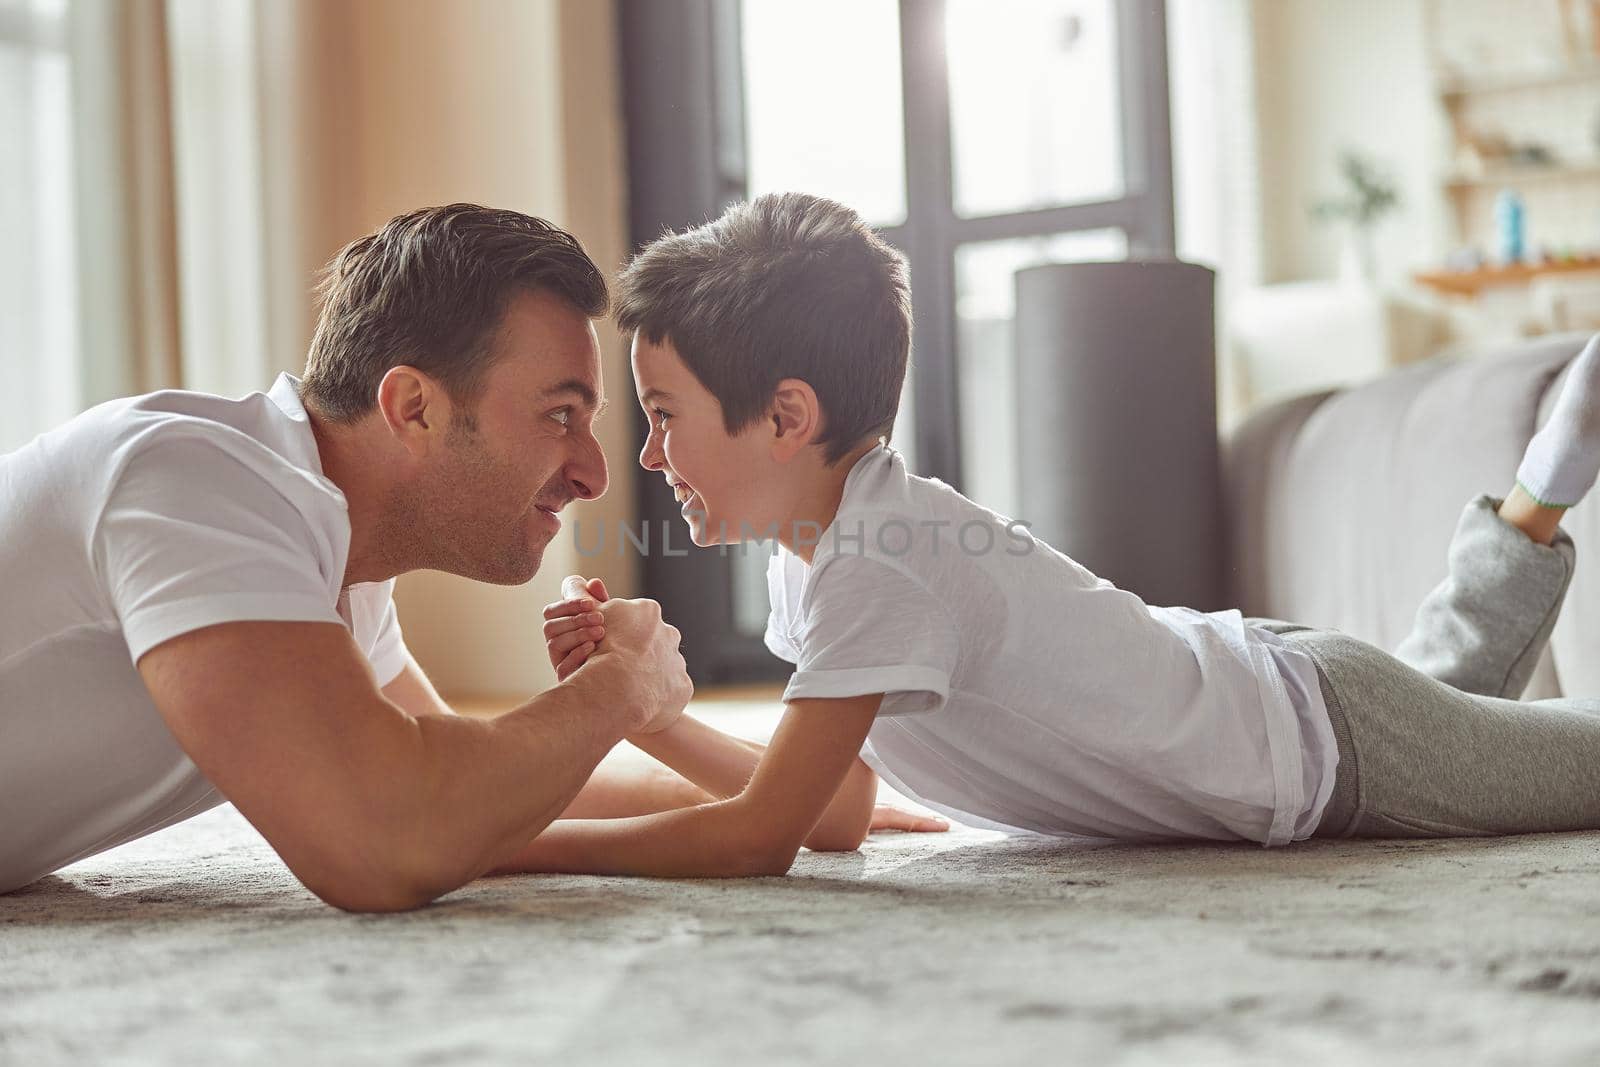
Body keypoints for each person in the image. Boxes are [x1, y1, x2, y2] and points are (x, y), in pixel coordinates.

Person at [522, 191, 1600, 879]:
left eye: (663, 416)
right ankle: (1536, 495)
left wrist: (518, 846)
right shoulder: (818, 554)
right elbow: (836, 809)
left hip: (1323, 742)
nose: (650, 459)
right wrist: (648, 714)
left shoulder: (874, 565)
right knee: (1447, 689)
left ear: (787, 417)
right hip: (1303, 699)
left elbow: (761, 834)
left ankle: (1541, 488)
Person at [0, 204, 939, 912]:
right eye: (559, 414)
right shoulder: (196, 480)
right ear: (412, 406)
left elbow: (479, 780)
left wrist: (777, 784)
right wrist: (617, 688)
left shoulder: (330, 567)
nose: (596, 469)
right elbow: (389, 834)